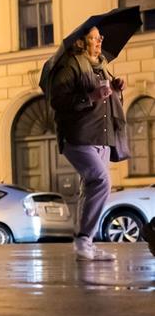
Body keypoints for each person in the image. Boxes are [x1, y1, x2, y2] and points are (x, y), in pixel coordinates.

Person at [48, 25, 126, 262]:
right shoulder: (71, 65)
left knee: (90, 187)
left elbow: (107, 101)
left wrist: (116, 89)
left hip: (102, 136)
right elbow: (58, 100)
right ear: (82, 42)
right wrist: (91, 96)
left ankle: (86, 245)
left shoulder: (102, 66)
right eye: (94, 38)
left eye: (100, 37)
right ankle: (83, 240)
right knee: (101, 181)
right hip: (78, 136)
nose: (99, 41)